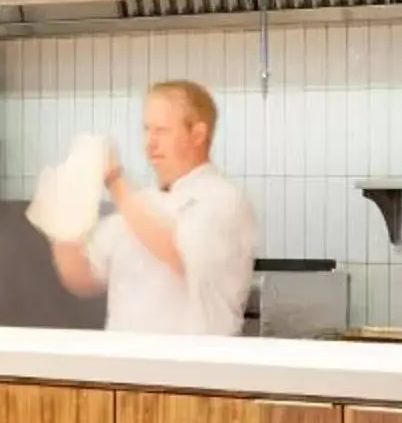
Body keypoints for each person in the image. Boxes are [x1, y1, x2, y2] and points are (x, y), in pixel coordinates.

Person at [48, 80, 258, 336]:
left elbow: (174, 252)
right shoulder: (139, 206)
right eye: (147, 129)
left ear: (198, 134)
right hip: (124, 370)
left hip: (191, 371)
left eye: (162, 130)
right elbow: (82, 278)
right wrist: (63, 217)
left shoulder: (224, 201)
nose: (150, 142)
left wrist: (116, 181)